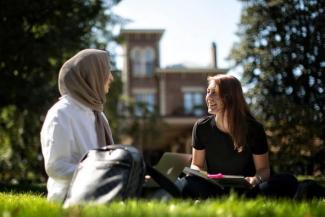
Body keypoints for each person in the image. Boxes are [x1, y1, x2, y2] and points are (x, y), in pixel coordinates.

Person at [179, 74, 298, 199]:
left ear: (229, 97)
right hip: (217, 188)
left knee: (288, 180)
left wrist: (255, 179)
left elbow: (263, 169)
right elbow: (196, 164)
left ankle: (241, 198)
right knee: (187, 184)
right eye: (208, 92)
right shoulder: (201, 127)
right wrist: (196, 174)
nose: (208, 97)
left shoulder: (254, 128)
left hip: (249, 188)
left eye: (214, 92)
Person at [41, 49, 114, 202]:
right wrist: (100, 173)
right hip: (68, 202)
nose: (111, 78)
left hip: (101, 201)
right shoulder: (61, 113)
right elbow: (56, 167)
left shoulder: (99, 116)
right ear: (92, 76)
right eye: (106, 72)